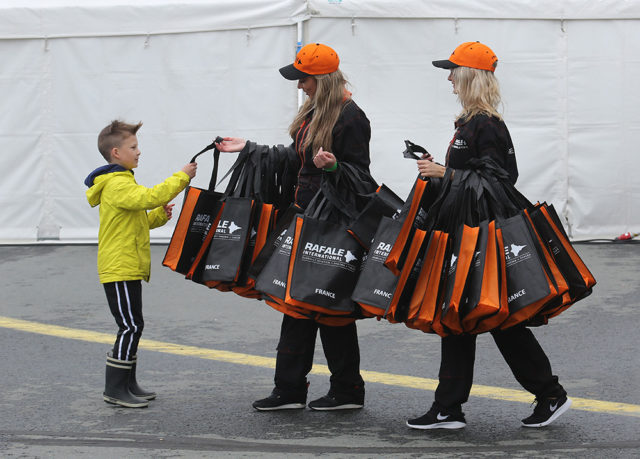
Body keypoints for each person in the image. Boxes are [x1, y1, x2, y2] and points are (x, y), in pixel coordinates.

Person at [407, 41, 571, 429]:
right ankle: (450, 407)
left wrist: (446, 174)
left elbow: (499, 180)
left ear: (469, 76)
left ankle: (546, 394)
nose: (448, 78)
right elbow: (476, 177)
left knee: (489, 318)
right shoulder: (468, 122)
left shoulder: (487, 125)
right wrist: (439, 171)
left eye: (452, 71)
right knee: (463, 317)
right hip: (467, 234)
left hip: (482, 239)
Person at [215, 43, 370, 411]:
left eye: (304, 78)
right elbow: (297, 159)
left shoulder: (351, 117)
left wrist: (334, 168)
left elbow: (360, 177)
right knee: (297, 305)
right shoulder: (313, 113)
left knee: (329, 309)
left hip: (332, 225)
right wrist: (250, 148)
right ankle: (292, 389)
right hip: (305, 217)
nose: (299, 85)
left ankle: (342, 390)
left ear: (322, 78)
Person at [85, 120, 197, 408]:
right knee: (129, 326)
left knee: (134, 324)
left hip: (128, 265)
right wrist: (182, 177)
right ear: (116, 153)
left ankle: (127, 383)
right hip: (119, 267)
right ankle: (114, 389)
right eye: (133, 147)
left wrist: (159, 216)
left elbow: (138, 219)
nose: (138, 152)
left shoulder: (122, 181)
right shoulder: (116, 183)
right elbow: (150, 197)